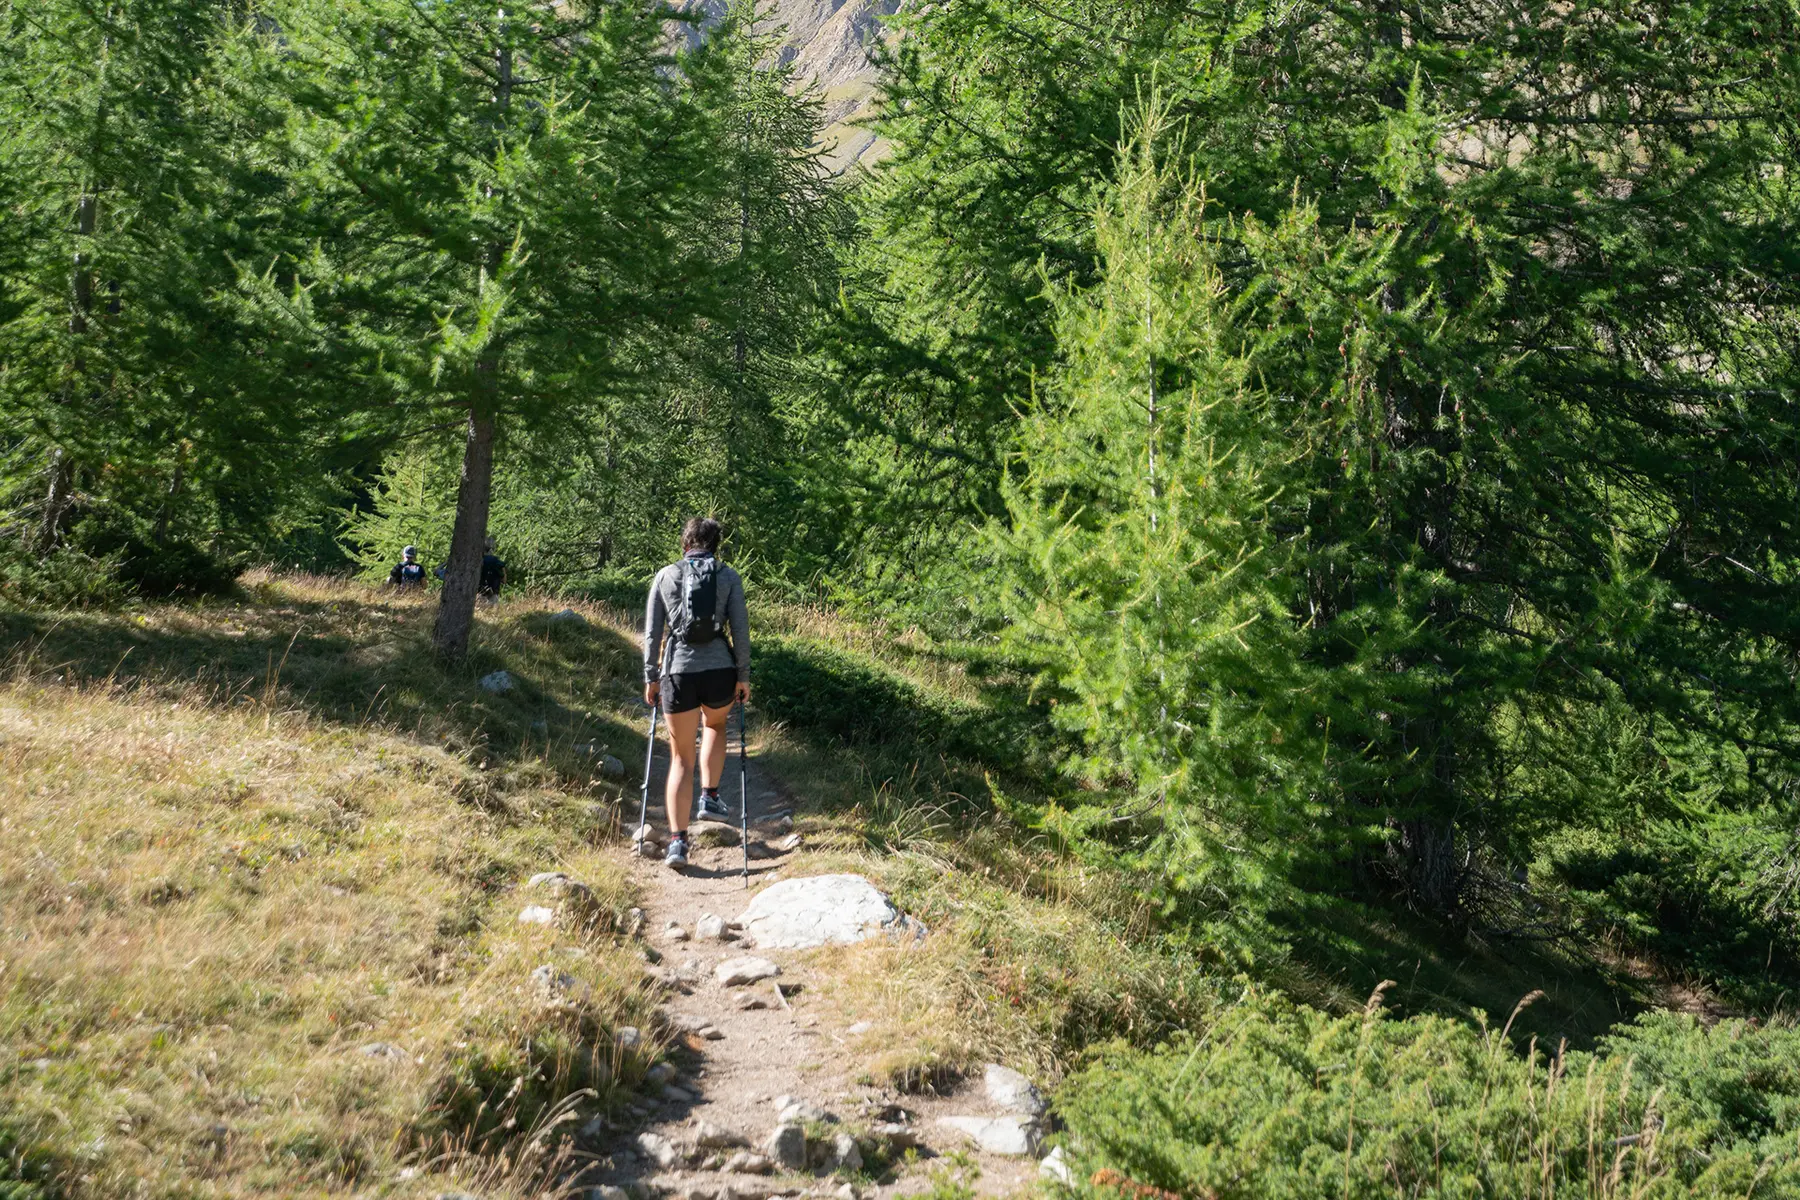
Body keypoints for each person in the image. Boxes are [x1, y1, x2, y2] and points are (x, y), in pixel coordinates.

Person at [642, 517, 750, 870]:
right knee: (715, 726)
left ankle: (677, 843)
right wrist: (743, 676)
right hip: (719, 670)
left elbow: (652, 633)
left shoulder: (665, 575)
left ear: (685, 544)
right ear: (715, 545)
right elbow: (741, 631)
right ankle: (710, 796)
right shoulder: (729, 576)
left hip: (679, 671)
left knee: (680, 759)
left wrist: (651, 677)